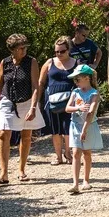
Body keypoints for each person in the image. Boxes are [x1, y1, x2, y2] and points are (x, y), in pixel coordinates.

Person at [0, 34, 39, 183]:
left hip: (26, 101)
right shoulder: (5, 63)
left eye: (25, 47)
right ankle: (3, 173)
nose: (24, 50)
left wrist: (33, 107)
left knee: (25, 136)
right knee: (3, 134)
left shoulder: (31, 62)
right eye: (21, 48)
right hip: (7, 101)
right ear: (12, 50)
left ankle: (21, 169)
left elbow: (36, 86)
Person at [38, 36, 78, 166]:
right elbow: (41, 82)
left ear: (68, 50)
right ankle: (58, 156)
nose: (59, 54)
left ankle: (68, 153)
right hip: (52, 100)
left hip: (70, 101)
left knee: (67, 128)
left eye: (62, 51)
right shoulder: (49, 63)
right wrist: (37, 101)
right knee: (55, 130)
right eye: (57, 51)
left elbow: (83, 81)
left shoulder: (76, 63)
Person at [64, 65, 103, 194]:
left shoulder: (94, 93)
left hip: (89, 126)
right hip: (75, 125)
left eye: (78, 79)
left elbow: (91, 113)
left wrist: (84, 130)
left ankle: (86, 180)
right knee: (75, 153)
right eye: (75, 80)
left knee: (87, 153)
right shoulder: (75, 92)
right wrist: (78, 108)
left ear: (87, 78)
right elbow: (67, 108)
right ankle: (75, 183)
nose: (76, 82)